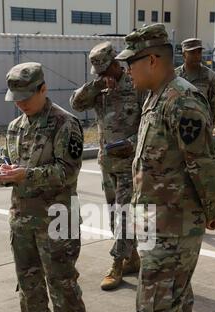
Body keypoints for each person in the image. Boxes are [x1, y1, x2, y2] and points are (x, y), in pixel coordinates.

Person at [116, 24, 215, 312]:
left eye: (131, 64)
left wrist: (209, 209)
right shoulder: (157, 97)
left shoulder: (181, 100)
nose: (128, 71)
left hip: (175, 224)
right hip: (160, 221)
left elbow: (206, 162)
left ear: (153, 60)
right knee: (177, 303)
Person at [0, 62, 88, 312]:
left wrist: (26, 175)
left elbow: (68, 172)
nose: (21, 103)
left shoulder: (66, 124)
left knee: (63, 282)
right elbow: (11, 165)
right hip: (22, 218)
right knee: (28, 281)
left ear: (43, 89)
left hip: (58, 218)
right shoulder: (15, 127)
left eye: (26, 96)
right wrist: (7, 175)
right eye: (16, 97)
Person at [70, 41, 144, 291]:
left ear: (116, 64)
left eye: (105, 71)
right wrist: (96, 85)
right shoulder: (99, 88)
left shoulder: (136, 86)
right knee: (115, 213)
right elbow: (76, 104)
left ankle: (117, 263)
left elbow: (149, 123)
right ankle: (132, 257)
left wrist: (133, 143)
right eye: (98, 73)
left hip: (130, 163)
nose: (103, 76)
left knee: (124, 213)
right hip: (107, 162)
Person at [176, 38, 215, 128]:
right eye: (192, 52)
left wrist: (209, 128)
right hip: (178, 129)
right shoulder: (175, 76)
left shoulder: (210, 77)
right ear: (184, 55)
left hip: (202, 129)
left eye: (199, 52)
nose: (197, 56)